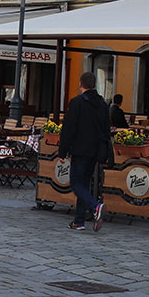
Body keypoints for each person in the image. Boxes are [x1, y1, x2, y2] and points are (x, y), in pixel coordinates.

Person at [59, 72, 111, 232]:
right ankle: (79, 221)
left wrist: (62, 152)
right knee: (84, 184)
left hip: (81, 150)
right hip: (95, 151)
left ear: (81, 84)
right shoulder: (102, 104)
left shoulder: (77, 102)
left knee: (76, 183)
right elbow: (106, 129)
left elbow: (69, 129)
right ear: (94, 85)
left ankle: (96, 207)